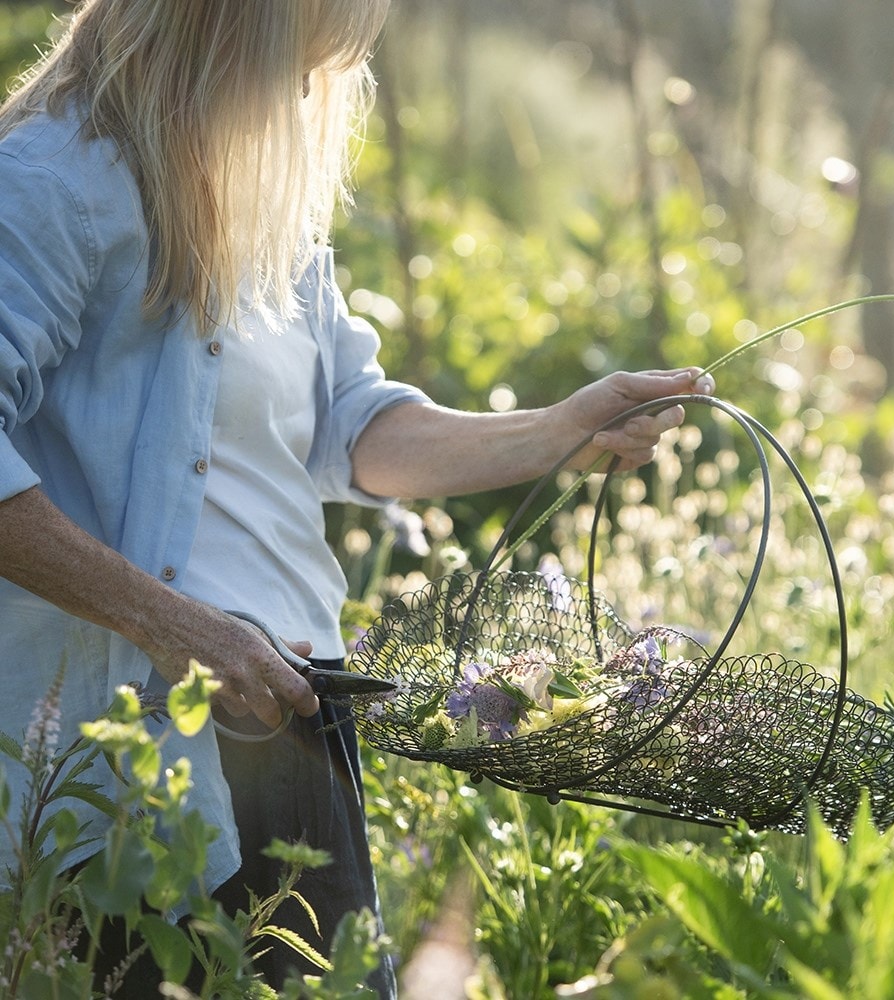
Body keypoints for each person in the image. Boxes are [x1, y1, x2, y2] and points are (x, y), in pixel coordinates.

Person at [0, 0, 715, 994]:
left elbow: (352, 425)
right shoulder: (54, 183)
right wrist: (188, 632)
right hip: (140, 756)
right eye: (296, 57)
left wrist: (558, 431)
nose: (307, 91)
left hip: (297, 719)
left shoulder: (263, 199)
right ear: (221, 30)